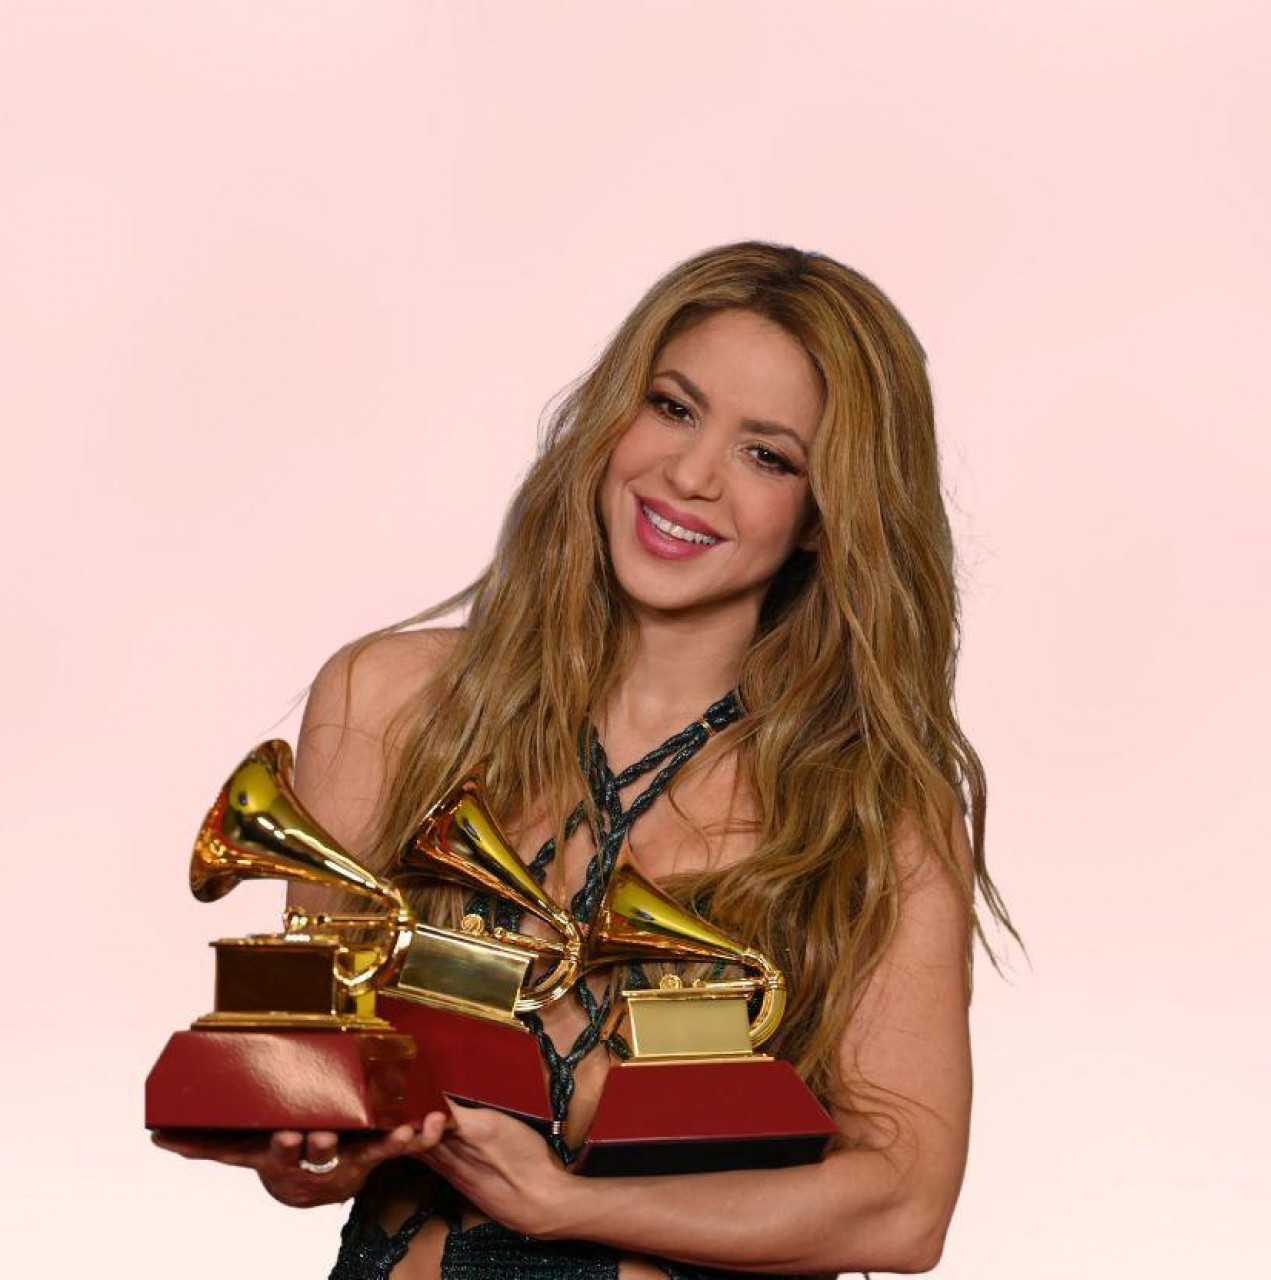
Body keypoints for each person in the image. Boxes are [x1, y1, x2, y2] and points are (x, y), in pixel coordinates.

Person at [154, 240, 1018, 1277]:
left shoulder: (878, 809)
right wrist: (306, 1150)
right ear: (612, 416)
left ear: (825, 518)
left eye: (767, 456)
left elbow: (901, 1208)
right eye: (672, 407)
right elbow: (317, 1110)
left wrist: (566, 1205)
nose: (689, 475)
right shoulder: (385, 701)